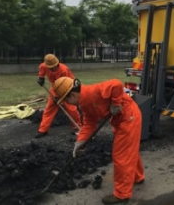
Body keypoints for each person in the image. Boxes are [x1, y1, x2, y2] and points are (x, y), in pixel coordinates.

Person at [53, 76, 145, 205]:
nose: (68, 104)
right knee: (129, 149)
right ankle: (138, 176)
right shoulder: (84, 102)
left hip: (129, 117)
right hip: (120, 120)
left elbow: (116, 84)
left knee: (121, 155)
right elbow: (90, 122)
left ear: (72, 95)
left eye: (66, 100)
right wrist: (80, 143)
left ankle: (122, 194)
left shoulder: (93, 91)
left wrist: (116, 103)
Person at [35, 54, 82, 138]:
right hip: (55, 87)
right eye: (51, 67)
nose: (54, 68)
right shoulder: (43, 66)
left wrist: (59, 96)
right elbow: (41, 72)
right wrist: (41, 78)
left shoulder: (64, 70)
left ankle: (77, 128)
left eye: (55, 66)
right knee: (49, 109)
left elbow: (65, 84)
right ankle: (43, 130)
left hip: (68, 87)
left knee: (72, 109)